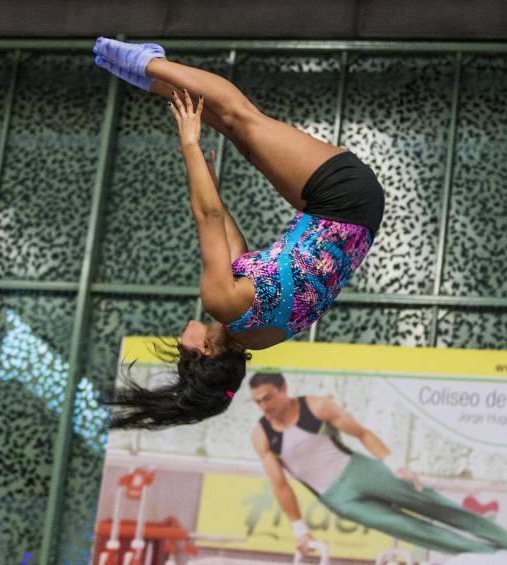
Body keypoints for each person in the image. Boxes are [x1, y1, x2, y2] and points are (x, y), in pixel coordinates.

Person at [94, 38, 384, 429]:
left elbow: (237, 250)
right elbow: (207, 215)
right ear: (209, 351)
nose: (181, 343)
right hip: (339, 198)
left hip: (355, 213)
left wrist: (208, 179)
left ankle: (152, 80)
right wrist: (189, 145)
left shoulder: (259, 334)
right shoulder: (222, 303)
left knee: (240, 134)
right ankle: (147, 63)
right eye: (186, 355)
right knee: (242, 118)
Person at [249, 372, 507, 556]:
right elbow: (281, 486)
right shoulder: (262, 435)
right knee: (407, 528)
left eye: (268, 397)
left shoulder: (316, 406)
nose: (264, 406)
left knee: (429, 501)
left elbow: (363, 434)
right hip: (337, 498)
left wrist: (394, 465)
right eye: (258, 401)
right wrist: (301, 531)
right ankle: (490, 555)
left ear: (283, 389)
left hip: (360, 470)